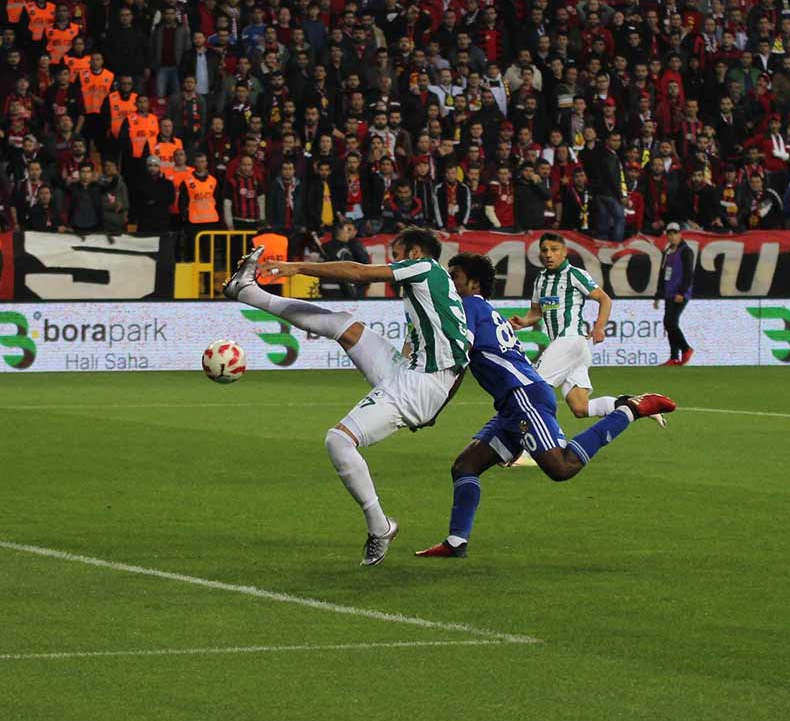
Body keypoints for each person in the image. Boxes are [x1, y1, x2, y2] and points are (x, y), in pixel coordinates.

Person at [223, 228, 470, 566]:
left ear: (414, 253)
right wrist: (427, 406)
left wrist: (298, 267)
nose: (392, 262)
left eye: (396, 254)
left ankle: (379, 526)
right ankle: (247, 292)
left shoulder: (425, 268)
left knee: (338, 440)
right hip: (411, 374)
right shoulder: (430, 295)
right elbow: (449, 353)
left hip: (421, 384)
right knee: (344, 324)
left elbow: (358, 272)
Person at [415, 252, 676, 558]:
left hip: (524, 396)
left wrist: (434, 405)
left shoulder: (469, 306)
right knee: (465, 466)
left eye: (454, 277)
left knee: (561, 467)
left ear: (473, 283)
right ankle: (456, 542)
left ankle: (632, 408)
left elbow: (460, 358)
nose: (450, 283)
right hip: (513, 403)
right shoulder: (484, 309)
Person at [509, 233, 665, 426]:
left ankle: (524, 451)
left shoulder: (575, 274)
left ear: (564, 252)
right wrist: (524, 322)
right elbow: (536, 312)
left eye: (554, 250)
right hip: (570, 349)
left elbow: (604, 299)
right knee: (581, 408)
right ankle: (637, 405)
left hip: (570, 341)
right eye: (544, 250)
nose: (549, 254)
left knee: (531, 388)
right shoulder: (540, 280)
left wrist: (599, 327)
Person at [655, 222, 695, 366]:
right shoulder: (668, 252)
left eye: (674, 234)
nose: (672, 237)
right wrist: (658, 294)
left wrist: (682, 292)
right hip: (668, 293)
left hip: (679, 293)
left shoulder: (686, 251)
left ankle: (685, 348)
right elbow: (663, 273)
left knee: (670, 321)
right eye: (669, 234)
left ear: (680, 234)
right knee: (669, 323)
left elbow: (688, 274)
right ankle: (674, 356)